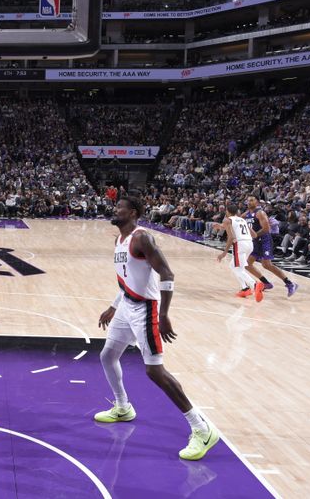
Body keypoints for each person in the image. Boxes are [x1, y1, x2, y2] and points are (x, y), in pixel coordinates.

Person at [96, 196, 219, 461]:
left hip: (145, 309)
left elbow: (167, 273)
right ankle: (122, 407)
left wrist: (163, 314)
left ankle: (202, 428)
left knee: (154, 371)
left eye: (120, 208)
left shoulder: (143, 238)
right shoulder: (118, 241)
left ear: (133, 213)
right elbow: (126, 280)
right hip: (126, 306)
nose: (115, 211)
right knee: (107, 356)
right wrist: (113, 306)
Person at [243, 195, 298, 297]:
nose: (249, 202)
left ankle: (290, 283)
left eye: (252, 200)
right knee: (247, 264)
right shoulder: (246, 214)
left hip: (264, 240)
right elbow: (235, 219)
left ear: (257, 202)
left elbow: (266, 229)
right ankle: (266, 283)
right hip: (255, 242)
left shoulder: (260, 213)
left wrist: (254, 235)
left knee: (267, 264)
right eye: (248, 200)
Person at [217, 203, 262, 301]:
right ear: (237, 212)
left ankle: (254, 285)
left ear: (227, 212)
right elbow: (254, 235)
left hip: (240, 244)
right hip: (249, 244)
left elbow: (231, 237)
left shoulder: (227, 219)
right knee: (237, 266)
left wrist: (224, 253)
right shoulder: (242, 220)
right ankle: (245, 289)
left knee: (236, 268)